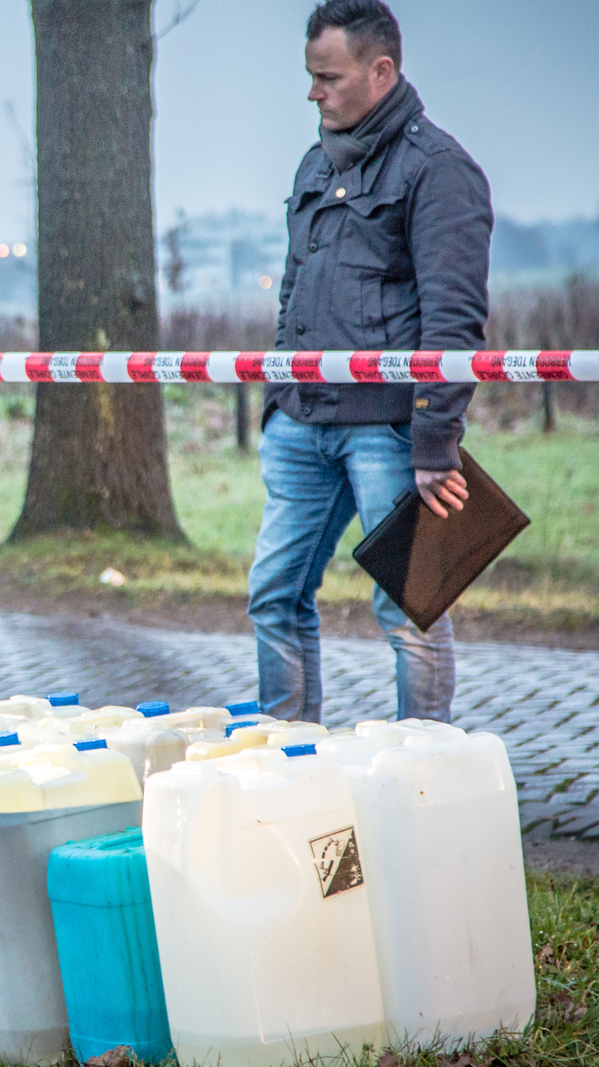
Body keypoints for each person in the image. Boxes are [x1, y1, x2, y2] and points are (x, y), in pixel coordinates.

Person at [250, 0, 492, 723]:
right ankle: (289, 764)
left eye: (328, 77)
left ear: (380, 70)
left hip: (388, 431)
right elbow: (295, 283)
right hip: (300, 424)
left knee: (409, 610)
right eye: (310, 77)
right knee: (273, 596)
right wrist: (277, 396)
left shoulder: (441, 172)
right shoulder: (315, 162)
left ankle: (425, 776)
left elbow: (454, 322)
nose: (314, 93)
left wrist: (434, 442)